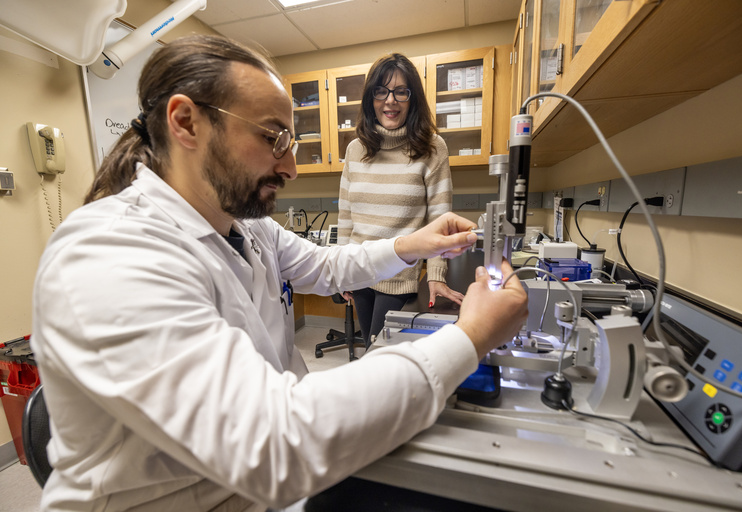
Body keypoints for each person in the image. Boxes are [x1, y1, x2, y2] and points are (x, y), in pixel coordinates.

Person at [31, 35, 528, 512]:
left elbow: (328, 264)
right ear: (185, 123)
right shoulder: (108, 253)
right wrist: (472, 337)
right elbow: (271, 441)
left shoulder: (247, 229)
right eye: (274, 138)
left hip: (259, 494)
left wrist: (412, 244)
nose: (290, 167)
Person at [337, 53, 464, 346]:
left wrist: (436, 275)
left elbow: (439, 221)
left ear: (412, 97)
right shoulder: (356, 149)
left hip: (398, 277)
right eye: (381, 91)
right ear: (371, 98)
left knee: (383, 355)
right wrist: (339, 270)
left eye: (400, 91)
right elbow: (346, 216)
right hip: (358, 272)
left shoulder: (432, 147)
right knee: (370, 349)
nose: (389, 101)